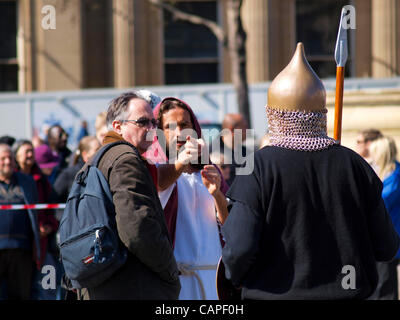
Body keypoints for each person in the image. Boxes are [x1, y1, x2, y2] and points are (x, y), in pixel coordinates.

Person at [221, 43, 400, 300]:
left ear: (274, 115)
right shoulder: (355, 165)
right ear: (320, 114)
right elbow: (387, 247)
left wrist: (233, 277)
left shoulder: (258, 167)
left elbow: (240, 249)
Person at [78, 91, 180, 300]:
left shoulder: (101, 157)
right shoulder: (125, 159)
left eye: (154, 122)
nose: (152, 129)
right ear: (118, 126)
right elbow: (137, 230)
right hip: (127, 285)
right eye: (143, 122)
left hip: (105, 281)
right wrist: (170, 270)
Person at [154, 97, 229, 300]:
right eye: (170, 127)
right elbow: (159, 184)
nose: (180, 133)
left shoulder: (209, 170)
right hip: (176, 281)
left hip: (213, 277)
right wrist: (180, 163)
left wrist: (217, 194)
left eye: (184, 125)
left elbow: (229, 224)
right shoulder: (155, 169)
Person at [13, 140, 60, 300]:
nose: (30, 155)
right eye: (26, 151)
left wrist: (48, 226)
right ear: (16, 156)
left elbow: (51, 211)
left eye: (31, 151)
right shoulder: (9, 180)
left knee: (49, 287)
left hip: (43, 245)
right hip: (19, 246)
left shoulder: (42, 180)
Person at [0, 143, 41, 300]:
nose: (7, 162)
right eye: (2, 158)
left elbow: (37, 212)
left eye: (10, 158)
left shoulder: (26, 182)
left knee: (21, 295)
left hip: (22, 251)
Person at [367, 136, 400, 300]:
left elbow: (382, 202)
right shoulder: (383, 172)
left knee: (384, 287)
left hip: (388, 237)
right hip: (379, 236)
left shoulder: (395, 177)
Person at [54, 136, 100, 203]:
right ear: (85, 155)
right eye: (97, 150)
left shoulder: (100, 172)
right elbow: (54, 198)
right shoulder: (68, 174)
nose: (101, 152)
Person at [210, 113, 249, 185]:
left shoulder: (245, 153)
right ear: (231, 129)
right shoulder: (211, 152)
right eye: (244, 127)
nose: (248, 130)